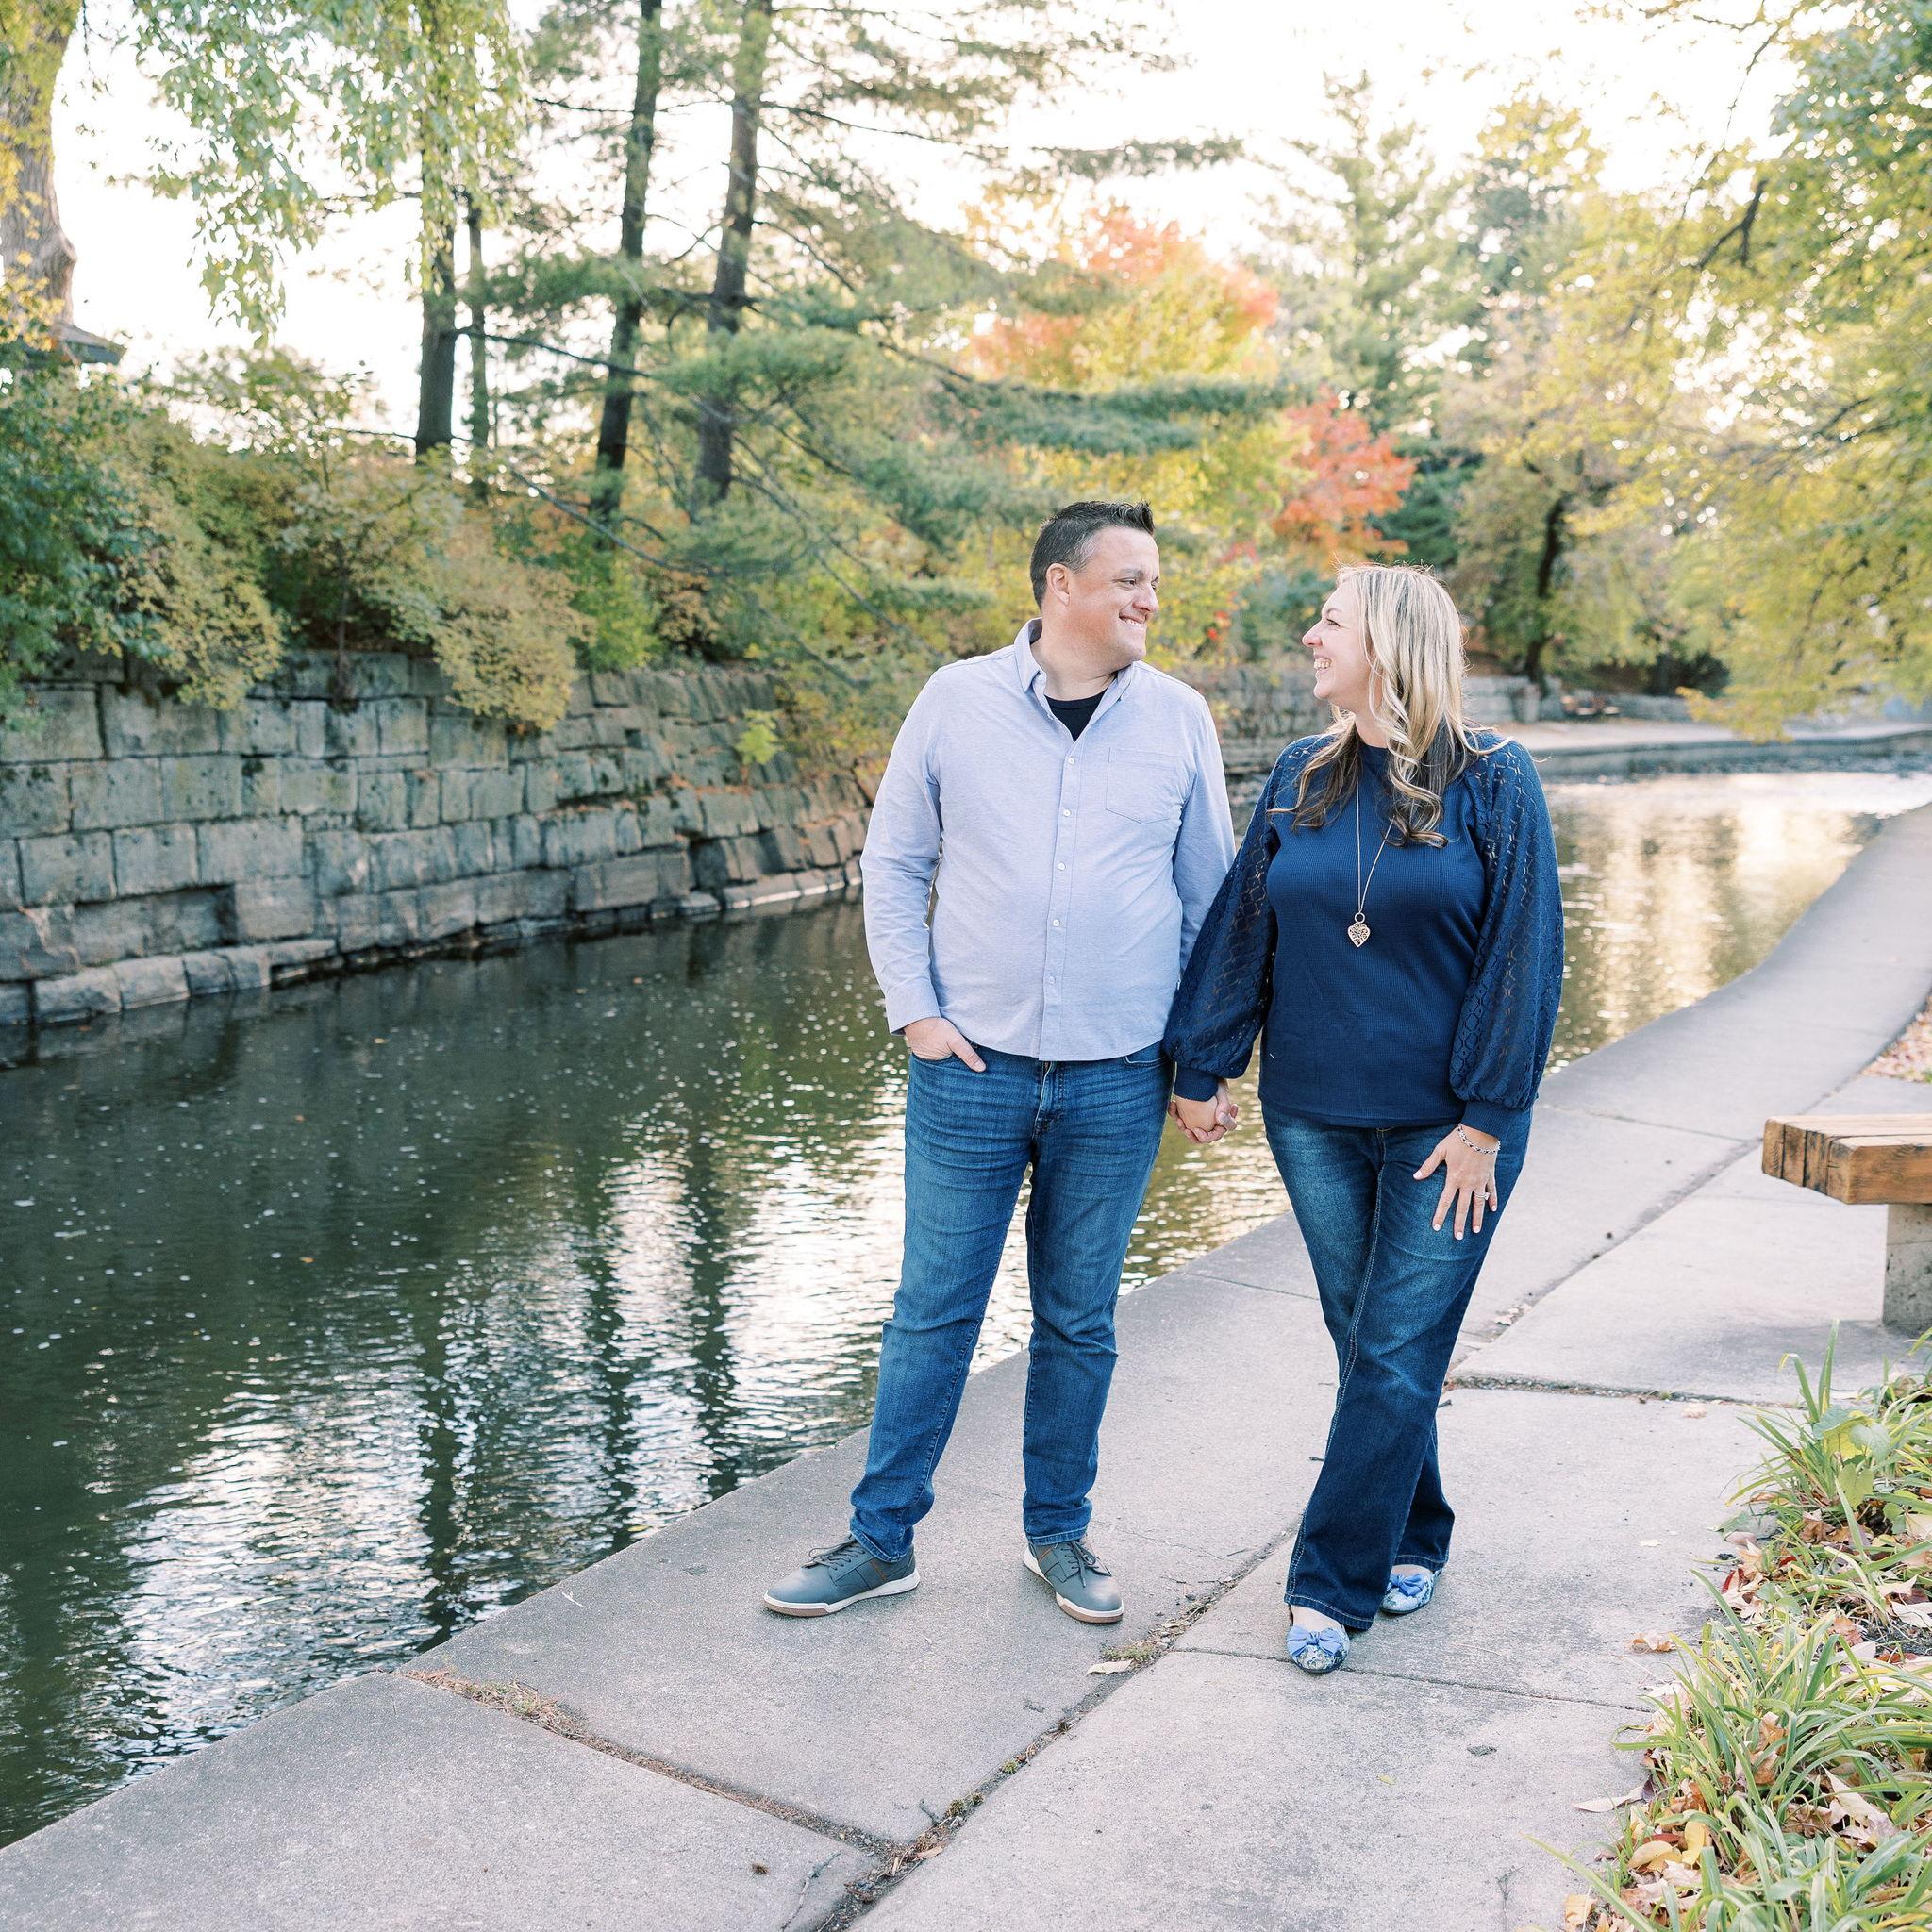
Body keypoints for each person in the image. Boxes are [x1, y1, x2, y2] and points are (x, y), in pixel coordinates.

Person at [764, 500, 1238, 1625]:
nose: (1148, 601)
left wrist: (1197, 1060)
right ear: (1058, 586)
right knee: (932, 1310)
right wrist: (915, 1013)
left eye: (1154, 582)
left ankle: (1057, 1535)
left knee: (1080, 1317)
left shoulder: (1177, 718)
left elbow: (1212, 900)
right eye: (1128, 579)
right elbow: (894, 865)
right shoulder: (954, 701)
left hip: (1117, 1073)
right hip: (966, 1067)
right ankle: (881, 1541)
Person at [1162, 563, 1563, 1674]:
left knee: (1390, 1348)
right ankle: (1415, 1528)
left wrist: (1486, 1114)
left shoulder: (1493, 779)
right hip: (1313, 1116)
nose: (1306, 636)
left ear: (1383, 643)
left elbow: (1525, 958)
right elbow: (1244, 925)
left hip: (1450, 1130)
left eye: (1326, 621)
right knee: (1372, 1343)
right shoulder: (1301, 775)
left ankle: (1326, 1587)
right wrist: (1203, 1062)